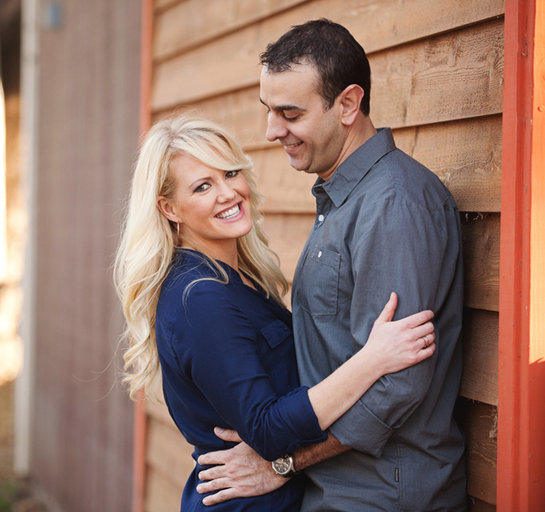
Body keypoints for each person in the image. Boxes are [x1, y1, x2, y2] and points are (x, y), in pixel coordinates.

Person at [194, 19, 466, 511]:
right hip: (340, 491)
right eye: (268, 111)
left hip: (385, 495)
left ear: (347, 104)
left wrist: (284, 461)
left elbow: (396, 386)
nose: (273, 130)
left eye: (289, 113)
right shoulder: (344, 198)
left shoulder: (393, 206)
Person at [114, 114, 438, 511]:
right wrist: (372, 360)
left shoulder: (235, 277)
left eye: (230, 173)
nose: (228, 193)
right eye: (202, 186)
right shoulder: (199, 298)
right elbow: (266, 429)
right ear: (170, 209)